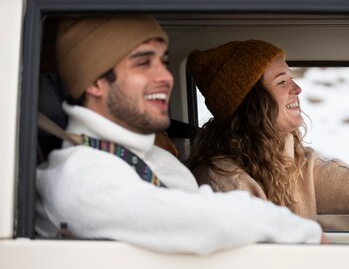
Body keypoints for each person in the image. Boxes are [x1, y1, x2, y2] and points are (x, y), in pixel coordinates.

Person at [36, 16, 323, 255]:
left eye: (164, 62)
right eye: (143, 63)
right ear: (95, 83)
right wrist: (308, 236)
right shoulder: (78, 175)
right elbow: (209, 221)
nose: (166, 76)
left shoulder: (151, 157)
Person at [185, 40, 349, 222]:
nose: (296, 89)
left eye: (291, 77)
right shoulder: (225, 182)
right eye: (282, 82)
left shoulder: (291, 163)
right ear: (252, 103)